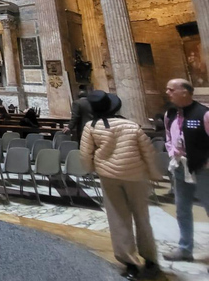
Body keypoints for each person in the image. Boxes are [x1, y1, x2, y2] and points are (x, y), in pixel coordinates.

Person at [80, 90, 161, 280]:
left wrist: (92, 168)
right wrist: (154, 173)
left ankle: (130, 264)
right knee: (142, 218)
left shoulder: (91, 127)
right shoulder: (131, 125)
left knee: (118, 219)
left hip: (108, 176)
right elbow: (148, 152)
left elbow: (85, 154)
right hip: (135, 176)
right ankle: (150, 260)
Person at [163, 79, 209, 264]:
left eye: (171, 89)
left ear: (185, 92)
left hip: (204, 169)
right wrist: (172, 151)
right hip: (180, 167)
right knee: (182, 209)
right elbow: (168, 137)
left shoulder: (204, 114)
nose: (167, 92)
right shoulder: (170, 114)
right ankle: (185, 249)